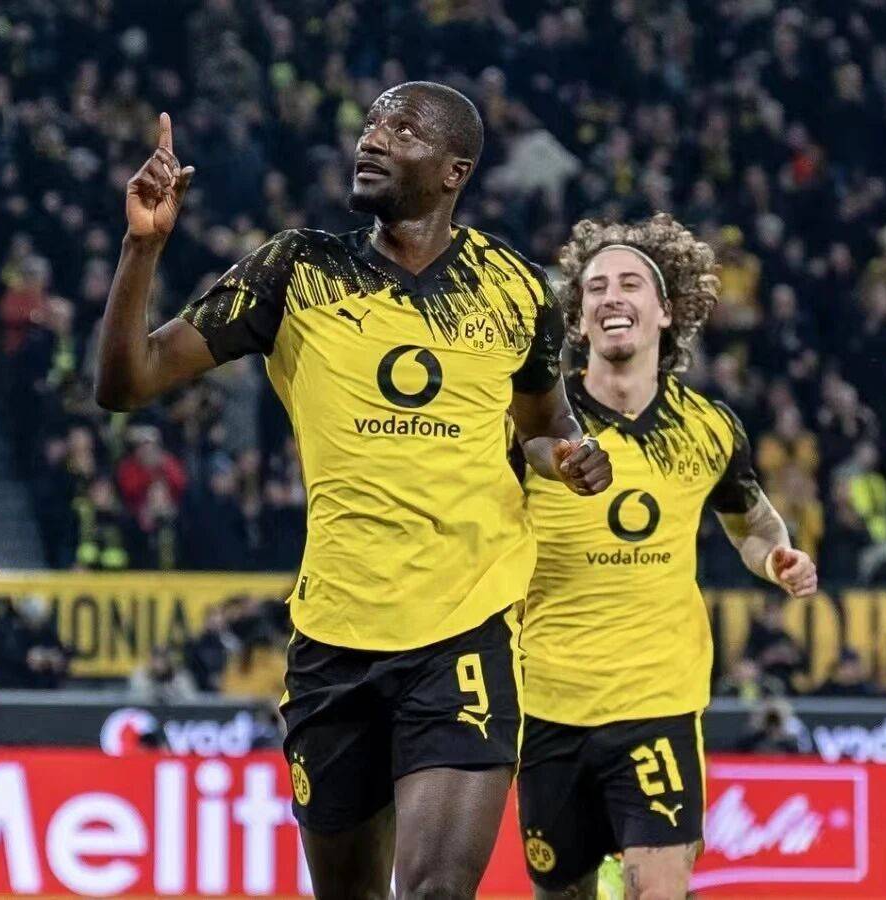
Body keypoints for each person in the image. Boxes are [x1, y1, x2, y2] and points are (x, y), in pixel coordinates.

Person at [95, 83, 613, 899]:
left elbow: (544, 425)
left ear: (454, 170)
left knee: (437, 890)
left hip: (465, 629)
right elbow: (128, 382)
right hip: (336, 639)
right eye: (371, 125)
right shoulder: (296, 270)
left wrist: (570, 458)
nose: (372, 139)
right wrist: (142, 247)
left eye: (401, 130)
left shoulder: (515, 288)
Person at [516, 215, 818, 900]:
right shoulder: (534, 424)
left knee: (658, 888)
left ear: (666, 310)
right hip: (548, 700)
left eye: (630, 284)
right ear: (578, 318)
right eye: (595, 288)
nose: (610, 296)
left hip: (659, 700)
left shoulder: (709, 428)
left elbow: (752, 523)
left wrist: (778, 558)